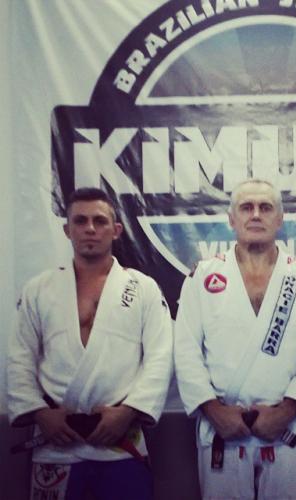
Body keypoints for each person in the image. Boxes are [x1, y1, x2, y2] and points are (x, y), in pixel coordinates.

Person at [7, 187, 173, 500]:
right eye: (80, 221)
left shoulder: (143, 288)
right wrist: (40, 413)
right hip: (56, 441)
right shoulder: (38, 289)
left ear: (116, 230)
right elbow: (20, 358)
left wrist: (128, 412)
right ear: (67, 229)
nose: (90, 229)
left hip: (121, 441)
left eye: (100, 221)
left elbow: (160, 357)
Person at [174, 179, 296, 499]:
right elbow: (186, 350)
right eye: (246, 207)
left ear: (280, 219)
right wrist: (214, 411)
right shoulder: (203, 275)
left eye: (266, 207)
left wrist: (285, 412)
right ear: (231, 219)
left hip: (287, 429)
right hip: (222, 428)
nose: (256, 214)